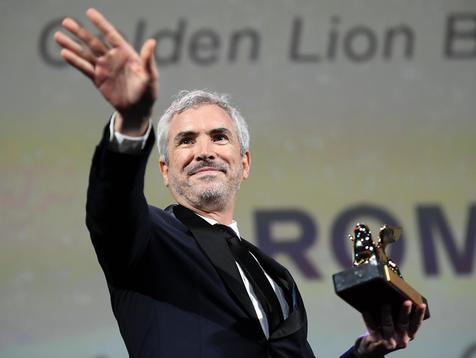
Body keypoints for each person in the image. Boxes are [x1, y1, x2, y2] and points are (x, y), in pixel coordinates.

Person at [54, 8, 426, 358]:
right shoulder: (149, 240)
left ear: (244, 163)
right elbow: (112, 206)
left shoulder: (276, 278)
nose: (203, 151)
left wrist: (366, 350)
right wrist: (132, 120)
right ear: (165, 172)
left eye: (219, 137)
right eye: (186, 140)